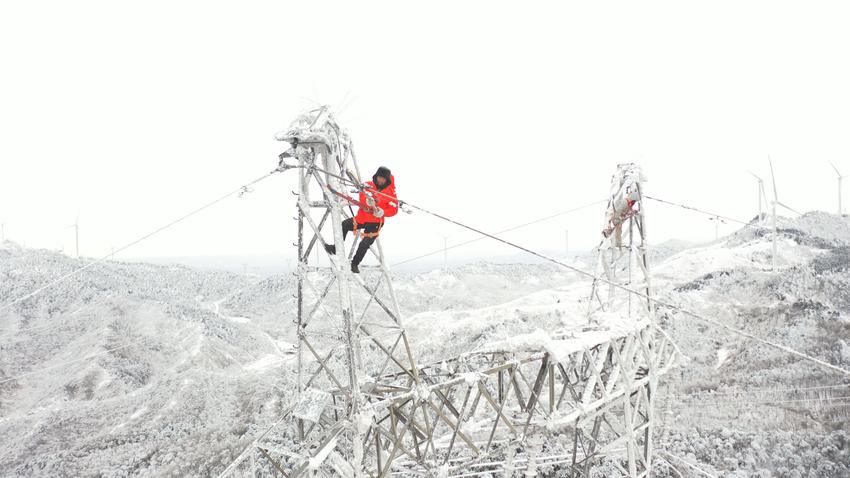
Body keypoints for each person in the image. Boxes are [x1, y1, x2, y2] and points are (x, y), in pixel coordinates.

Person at [325, 166, 398, 273]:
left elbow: (394, 209)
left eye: (383, 178)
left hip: (375, 223)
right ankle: (336, 248)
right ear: (376, 176)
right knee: (344, 225)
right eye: (379, 177)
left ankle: (355, 264)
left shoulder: (391, 192)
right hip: (361, 218)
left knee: (364, 244)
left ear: (387, 180)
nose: (381, 180)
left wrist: (383, 211)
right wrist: (367, 201)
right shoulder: (368, 185)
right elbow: (362, 195)